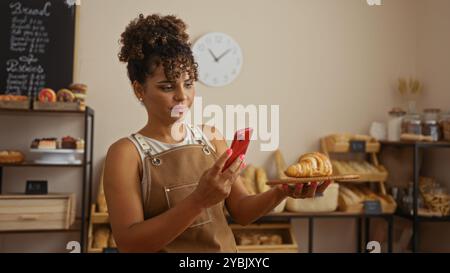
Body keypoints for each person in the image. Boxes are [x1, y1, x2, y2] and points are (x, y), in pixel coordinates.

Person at [104, 13, 330, 253]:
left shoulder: (211, 138)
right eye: (167, 86)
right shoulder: (126, 154)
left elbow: (242, 210)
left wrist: (282, 191)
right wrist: (199, 200)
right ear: (139, 89)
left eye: (189, 83)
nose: (182, 95)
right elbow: (130, 244)